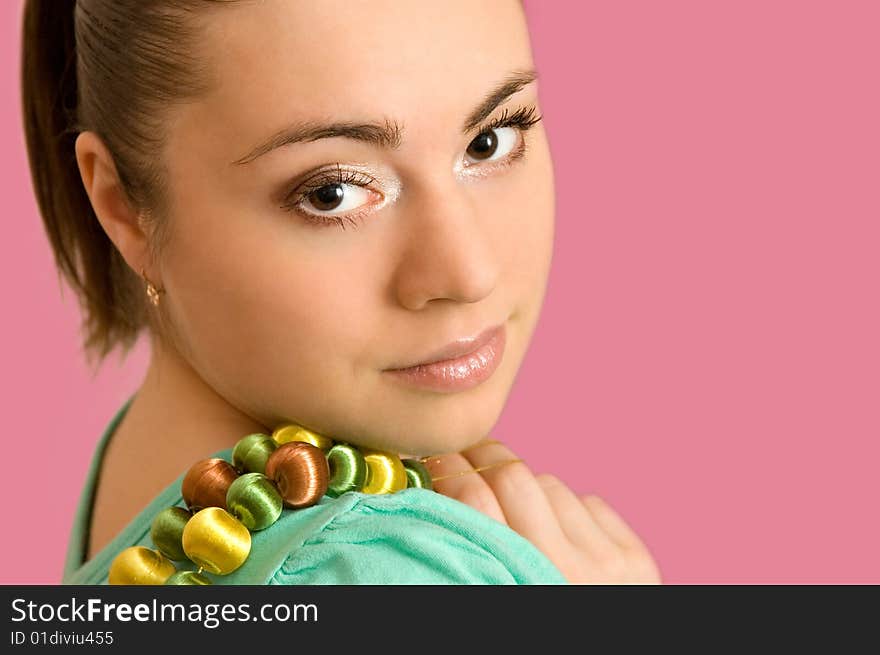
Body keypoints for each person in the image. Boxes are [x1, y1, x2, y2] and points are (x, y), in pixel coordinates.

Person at [22, 0, 662, 585]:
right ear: (123, 208)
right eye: (332, 192)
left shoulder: (158, 483)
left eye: (490, 140)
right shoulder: (386, 571)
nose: (468, 273)